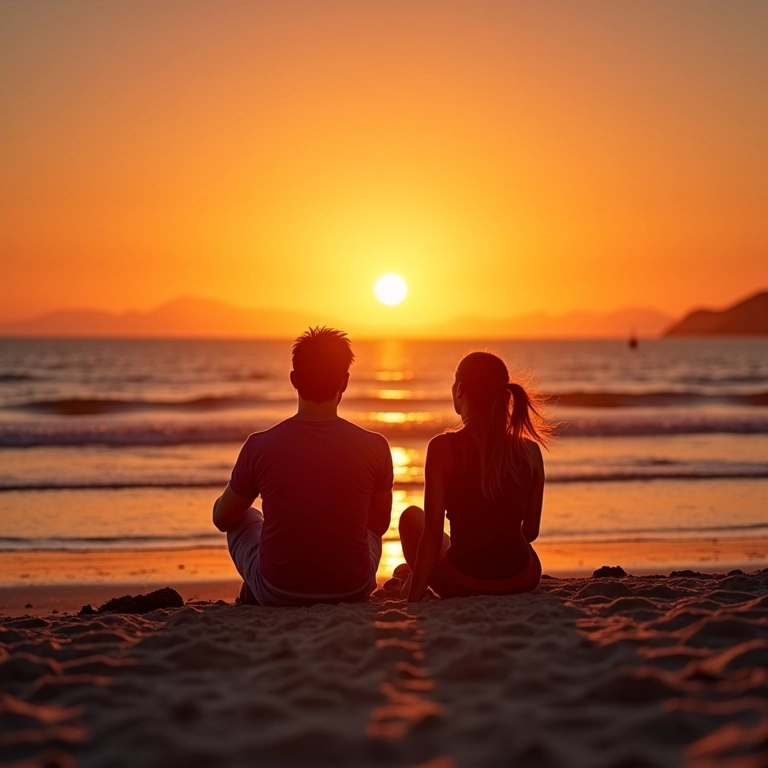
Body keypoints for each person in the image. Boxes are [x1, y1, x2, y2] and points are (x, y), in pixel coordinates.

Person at [213, 327, 393, 606]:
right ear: (344, 382)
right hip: (353, 589)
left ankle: (254, 589)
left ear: (294, 380)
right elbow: (378, 526)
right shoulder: (375, 446)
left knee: (245, 516)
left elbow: (222, 519)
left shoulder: (259, 445)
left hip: (278, 591)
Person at [399, 351, 549, 601]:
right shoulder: (530, 451)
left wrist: (414, 599)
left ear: (460, 390)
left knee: (410, 518)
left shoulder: (442, 448)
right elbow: (530, 532)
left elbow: (432, 536)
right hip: (521, 578)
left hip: (462, 580)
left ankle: (411, 580)